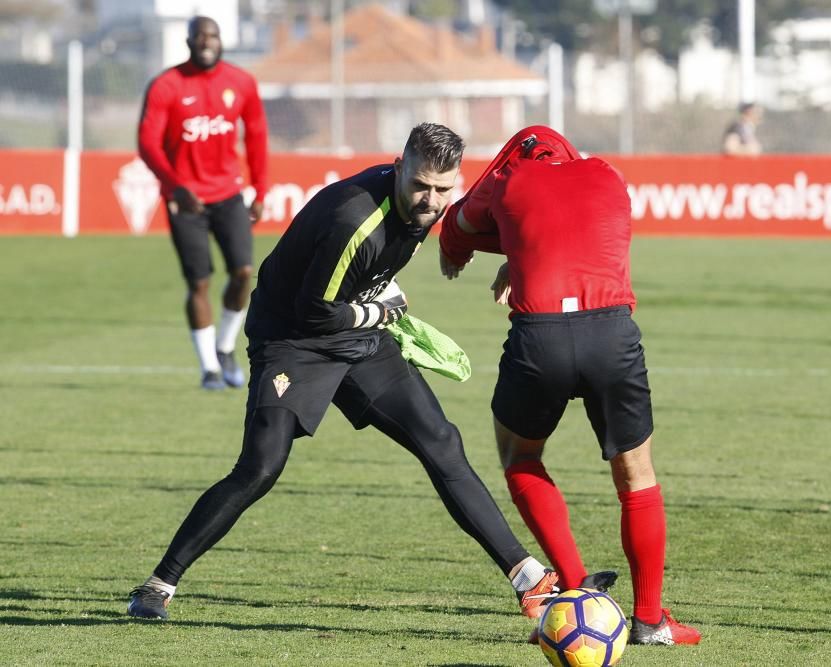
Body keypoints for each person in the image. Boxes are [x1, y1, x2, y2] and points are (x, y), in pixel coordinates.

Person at [126, 123, 563, 626]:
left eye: (443, 189)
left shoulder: (433, 201)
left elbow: (500, 209)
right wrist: (384, 313)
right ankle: (158, 585)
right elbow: (316, 312)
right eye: (421, 185)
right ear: (399, 169)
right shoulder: (354, 220)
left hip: (354, 328)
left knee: (440, 439)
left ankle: (528, 579)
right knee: (260, 468)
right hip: (293, 337)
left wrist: (509, 260)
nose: (431, 199)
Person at [438, 126, 701, 647]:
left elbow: (461, 226)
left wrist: (486, 252)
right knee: (636, 476)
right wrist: (519, 253)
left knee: (520, 458)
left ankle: (579, 590)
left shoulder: (510, 179)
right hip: (611, 333)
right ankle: (650, 619)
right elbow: (573, 225)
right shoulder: (606, 174)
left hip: (540, 340)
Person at [138, 15, 269, 390]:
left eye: (213, 36)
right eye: (200, 37)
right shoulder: (166, 85)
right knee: (199, 281)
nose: (207, 42)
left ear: (220, 40)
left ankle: (225, 347)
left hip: (228, 193)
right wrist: (175, 186)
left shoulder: (240, 82)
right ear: (189, 42)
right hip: (185, 201)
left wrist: (260, 190)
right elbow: (148, 143)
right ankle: (209, 367)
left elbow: (257, 136)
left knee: (244, 272)